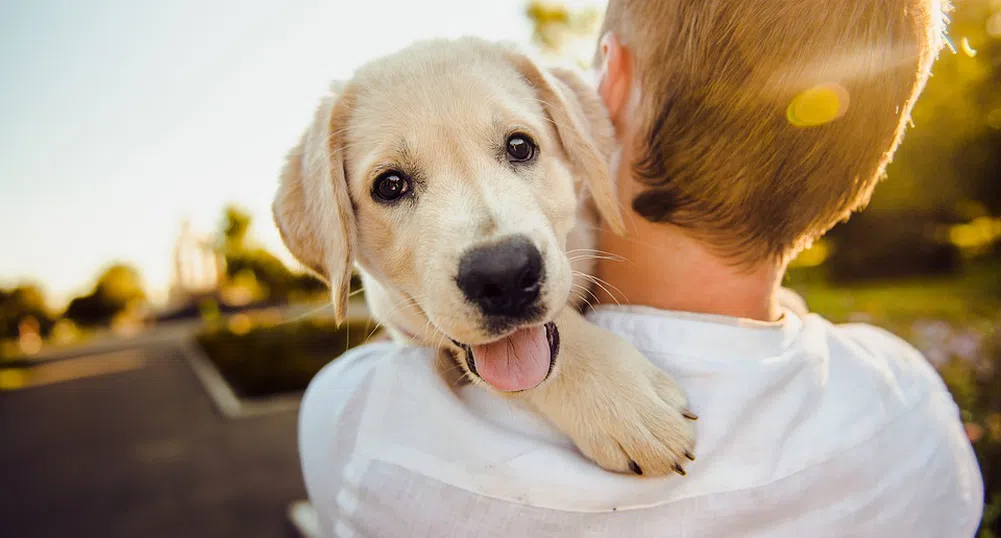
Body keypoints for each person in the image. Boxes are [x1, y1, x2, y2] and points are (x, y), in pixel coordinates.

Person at [297, 0, 984, 536]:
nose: (496, 249)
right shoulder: (911, 409)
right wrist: (569, 362)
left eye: (516, 146)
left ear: (605, 92)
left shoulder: (358, 421)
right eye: (392, 186)